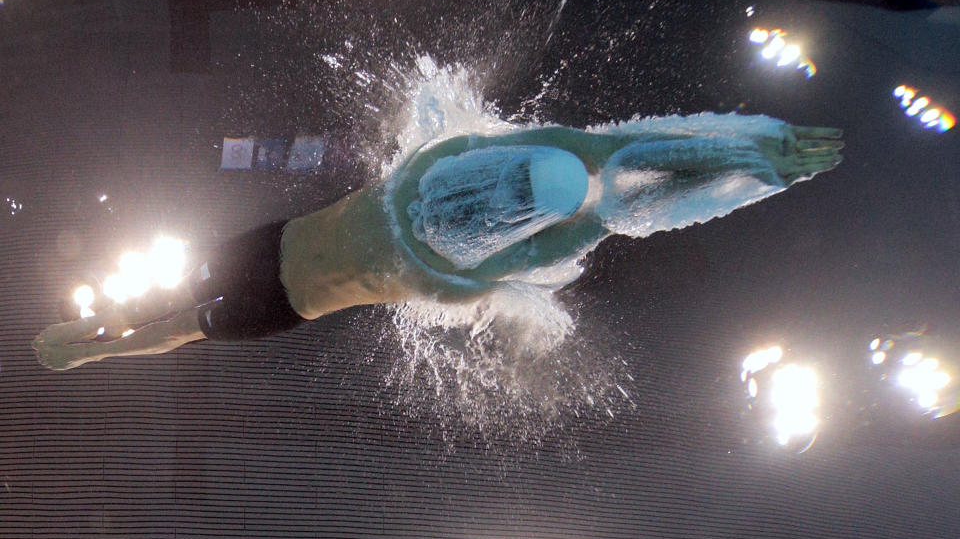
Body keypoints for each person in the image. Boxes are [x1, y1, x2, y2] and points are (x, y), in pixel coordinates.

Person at [32, 115, 843, 370]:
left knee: (174, 322)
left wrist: (752, 159)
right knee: (170, 308)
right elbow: (634, 160)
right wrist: (749, 155)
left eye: (518, 187)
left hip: (275, 283)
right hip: (271, 264)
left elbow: (627, 170)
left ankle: (94, 349)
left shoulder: (434, 195)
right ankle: (95, 341)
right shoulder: (446, 229)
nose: (512, 186)